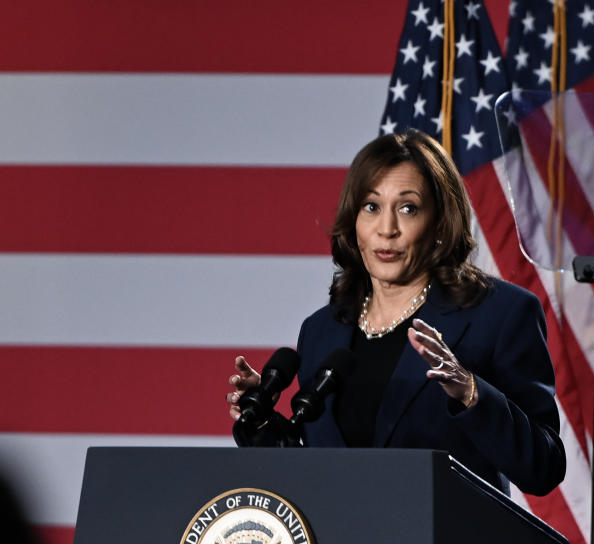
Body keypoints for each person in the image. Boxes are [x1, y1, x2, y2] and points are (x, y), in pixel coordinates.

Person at [226, 130, 565, 496]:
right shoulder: (322, 330)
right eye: (371, 207)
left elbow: (544, 467)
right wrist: (261, 420)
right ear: (353, 221)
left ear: (439, 224)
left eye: (408, 208)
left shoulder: (501, 315)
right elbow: (319, 472)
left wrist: (471, 392)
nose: (386, 230)